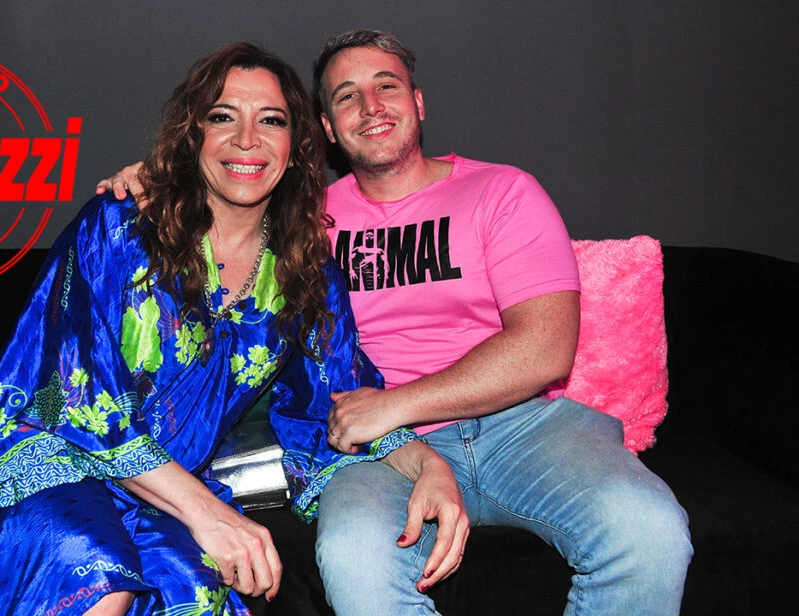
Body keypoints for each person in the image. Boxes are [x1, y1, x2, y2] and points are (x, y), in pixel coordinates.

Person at [0, 42, 466, 616]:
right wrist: (207, 511)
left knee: (195, 596)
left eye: (271, 120)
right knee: (96, 574)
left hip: (156, 489)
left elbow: (339, 397)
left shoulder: (305, 268)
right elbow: (71, 399)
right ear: (194, 134)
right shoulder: (121, 227)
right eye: (223, 116)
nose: (247, 139)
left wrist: (427, 463)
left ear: (298, 143)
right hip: (43, 453)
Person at [99, 29, 693, 616]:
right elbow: (221, 196)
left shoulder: (502, 191)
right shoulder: (305, 220)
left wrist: (396, 404)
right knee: (355, 558)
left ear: (418, 102)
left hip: (521, 428)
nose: (371, 106)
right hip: (378, 451)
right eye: (346, 96)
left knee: (649, 531)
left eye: (387, 86)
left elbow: (546, 348)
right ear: (328, 129)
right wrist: (154, 178)